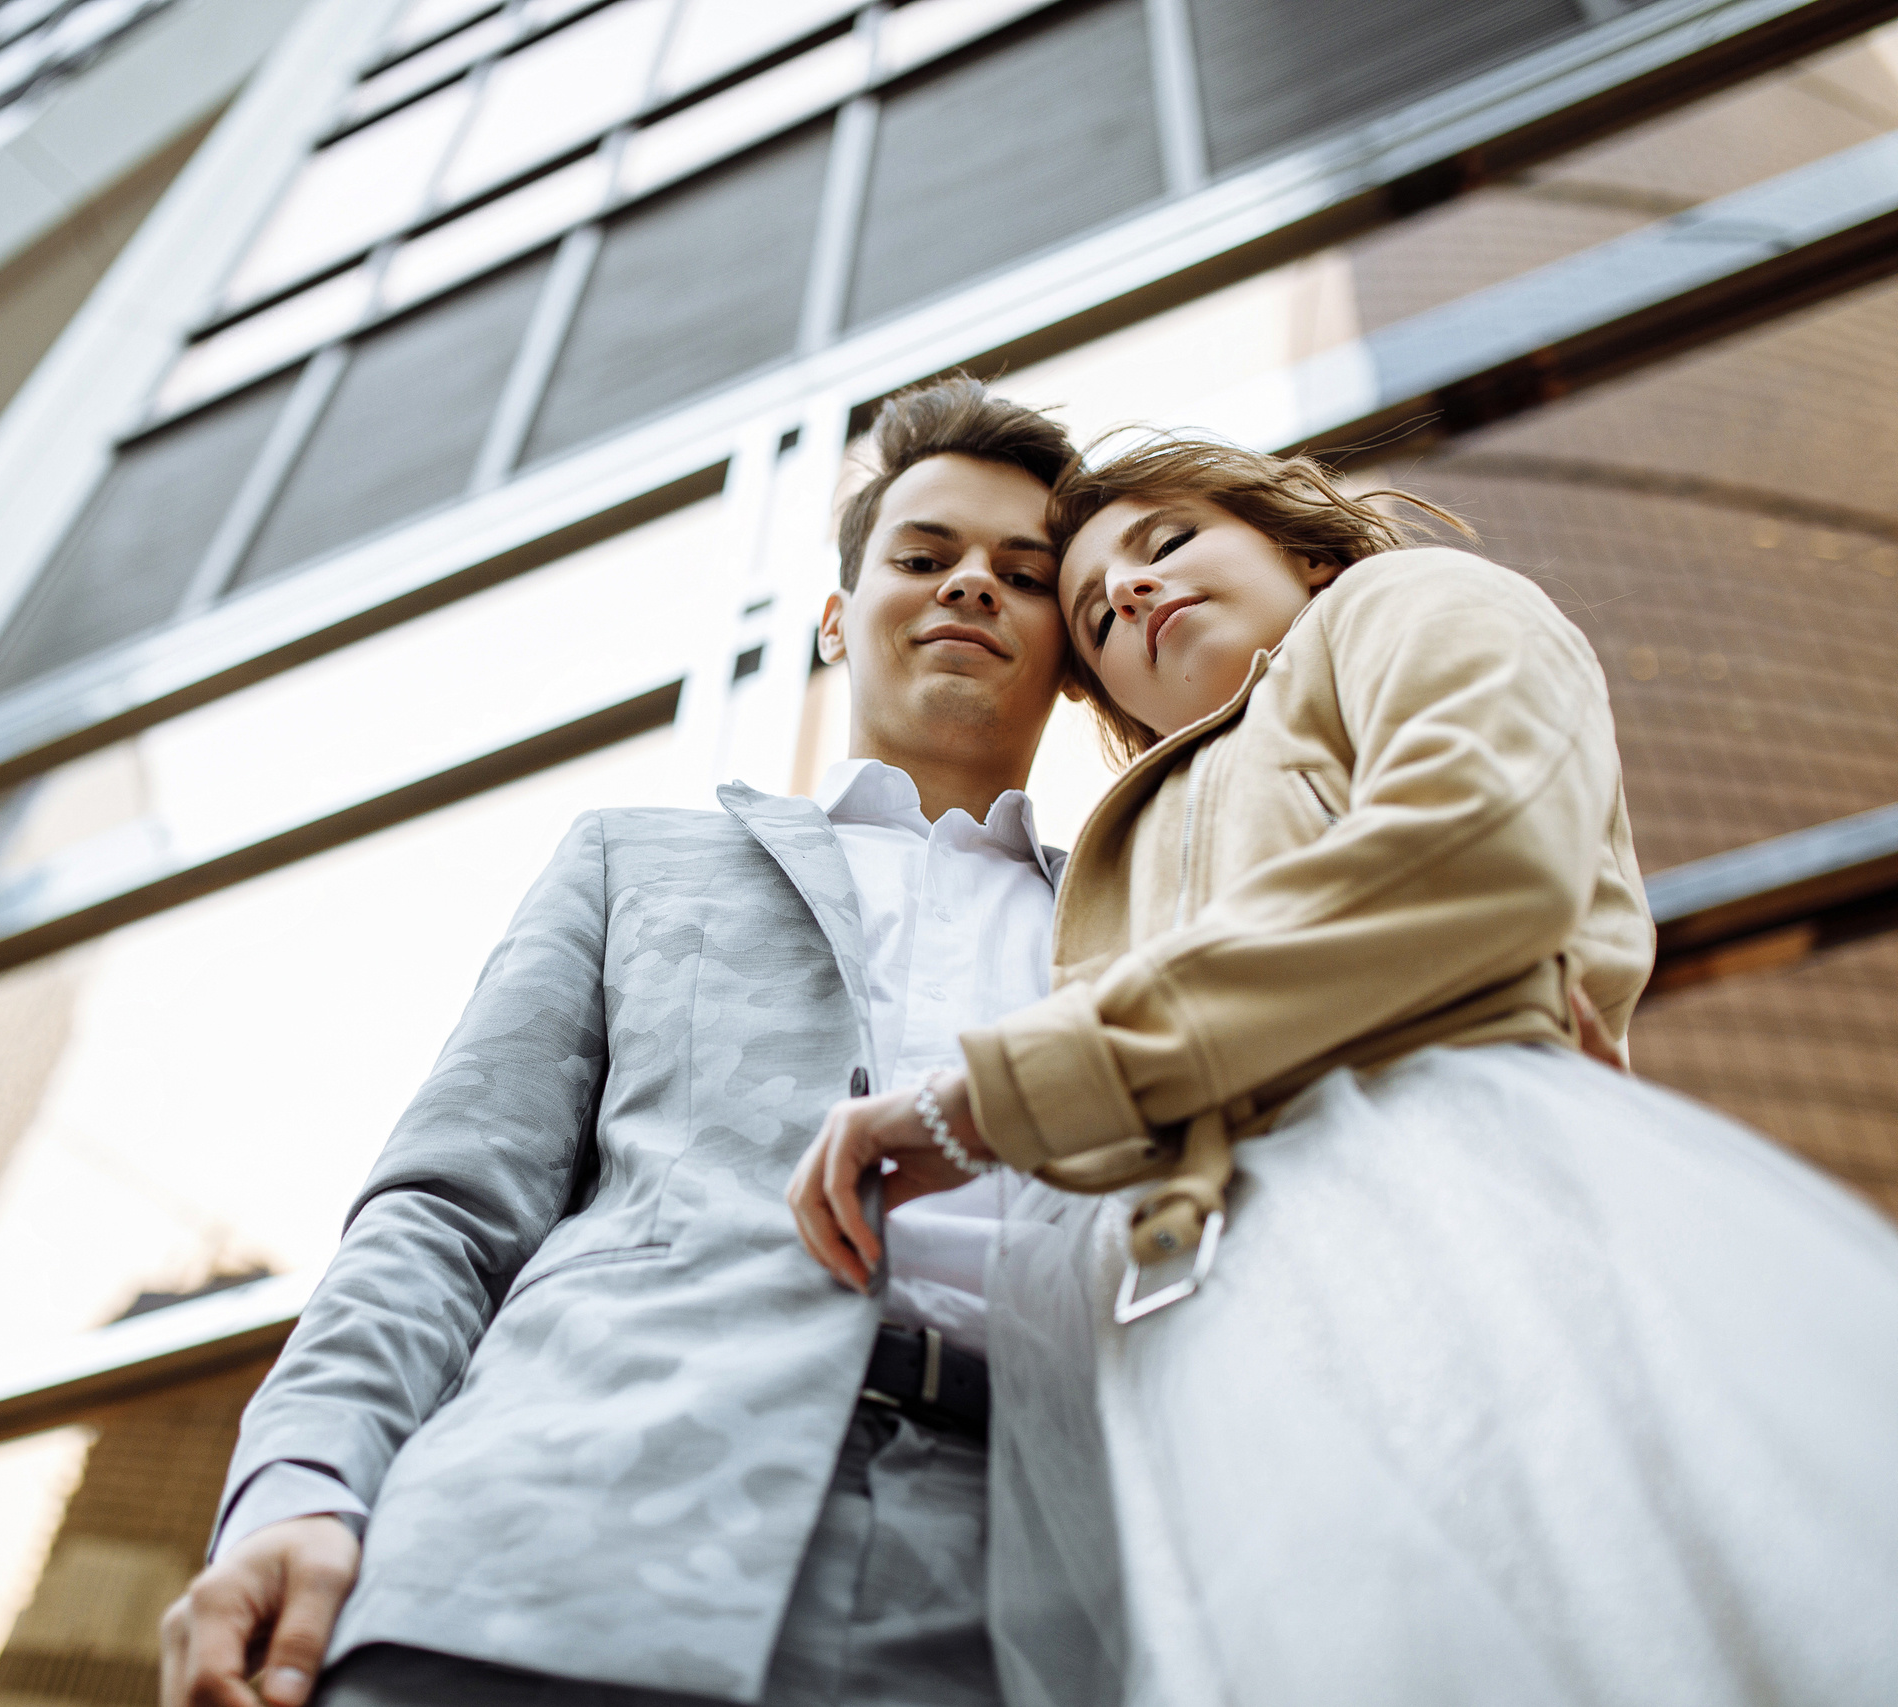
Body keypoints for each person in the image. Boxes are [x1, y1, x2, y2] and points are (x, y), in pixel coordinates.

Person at [786, 435, 1898, 1704]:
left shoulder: (1404, 604)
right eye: (1094, 613)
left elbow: (1475, 854)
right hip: (1217, 1332)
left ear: (1301, 551)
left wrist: (996, 1098)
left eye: (1167, 545)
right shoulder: (1119, 843)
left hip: (1447, 1212)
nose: (1133, 593)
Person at [159, 377, 1113, 1707]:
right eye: (924, 555)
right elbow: (444, 1208)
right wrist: (304, 1481)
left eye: (1020, 572)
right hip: (551, 1544)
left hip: (1015, 1597)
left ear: (1071, 652)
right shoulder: (637, 862)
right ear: (841, 618)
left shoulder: (1155, 924)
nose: (969, 585)